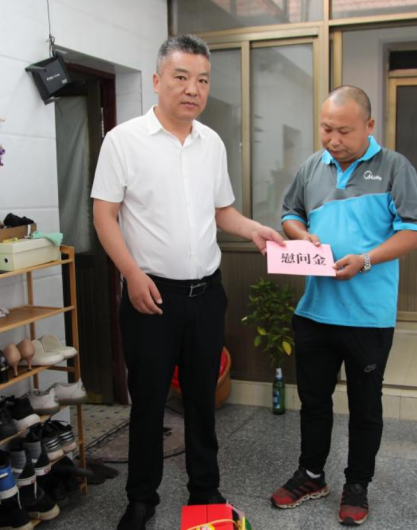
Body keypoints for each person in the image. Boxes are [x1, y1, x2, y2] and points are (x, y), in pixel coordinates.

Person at [92, 34, 284, 530]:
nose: (192, 89)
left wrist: (254, 229)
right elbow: (104, 215)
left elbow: (222, 211)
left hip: (206, 295)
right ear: (157, 81)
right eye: (181, 77)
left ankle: (205, 490)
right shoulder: (123, 141)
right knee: (149, 400)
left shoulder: (211, 143)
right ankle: (141, 498)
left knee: (202, 399)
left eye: (202, 80)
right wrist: (131, 273)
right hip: (150, 294)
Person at [270, 85, 417, 526]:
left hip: (367, 316)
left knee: (365, 406)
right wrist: (302, 235)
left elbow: (415, 231)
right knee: (314, 402)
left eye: (344, 131)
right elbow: (289, 213)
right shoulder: (311, 167)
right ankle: (311, 475)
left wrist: (366, 260)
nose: (333, 139)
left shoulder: (395, 167)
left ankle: (357, 483)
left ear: (369, 126)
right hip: (315, 311)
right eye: (326, 129)